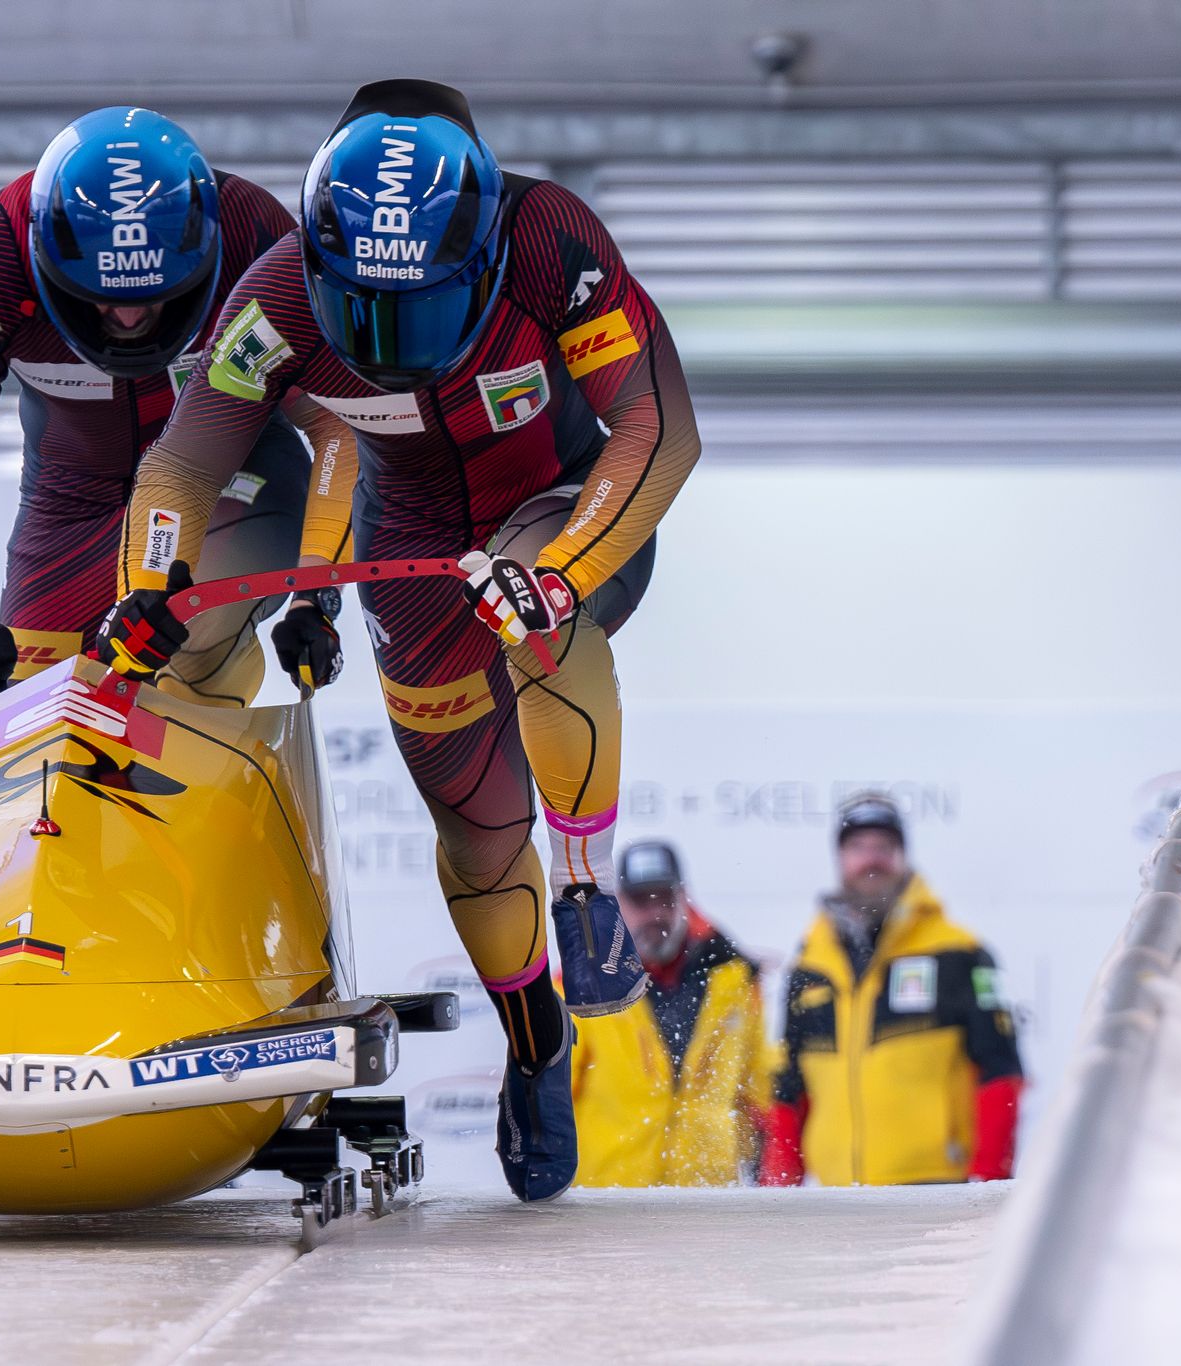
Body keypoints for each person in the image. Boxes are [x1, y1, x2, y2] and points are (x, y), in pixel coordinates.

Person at [97, 79, 703, 1199]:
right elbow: (179, 466)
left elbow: (656, 430)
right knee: (471, 829)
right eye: (361, 307)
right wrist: (146, 587)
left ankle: (584, 882)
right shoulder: (274, 299)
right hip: (411, 533)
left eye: (416, 306)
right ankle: (534, 1051)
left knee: (534, 619)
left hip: (563, 500)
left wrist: (564, 570)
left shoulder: (549, 244)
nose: (387, 342)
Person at [0, 106, 355, 704]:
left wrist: (315, 596)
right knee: (36, 708)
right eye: (100, 299)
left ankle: (210, 689)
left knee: (172, 634)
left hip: (233, 481)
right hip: (70, 502)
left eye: (158, 296)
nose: (130, 319)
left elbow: (337, 423)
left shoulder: (252, 236)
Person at [761, 794, 1025, 1187]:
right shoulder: (809, 965)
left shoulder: (957, 952)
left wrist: (989, 1185)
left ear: (903, 857)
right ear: (840, 859)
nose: (872, 860)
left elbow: (1000, 1074)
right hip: (836, 1197)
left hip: (934, 1191)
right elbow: (788, 1092)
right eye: (858, 848)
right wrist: (779, 1192)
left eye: (884, 848)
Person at [568, 840, 772, 1187]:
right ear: (617, 906)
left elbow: (758, 1090)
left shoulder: (733, 979)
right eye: (640, 901)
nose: (655, 914)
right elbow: (554, 1098)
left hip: (707, 1198)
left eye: (664, 899)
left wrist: (763, 1168)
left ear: (684, 901)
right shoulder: (580, 986)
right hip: (611, 1203)